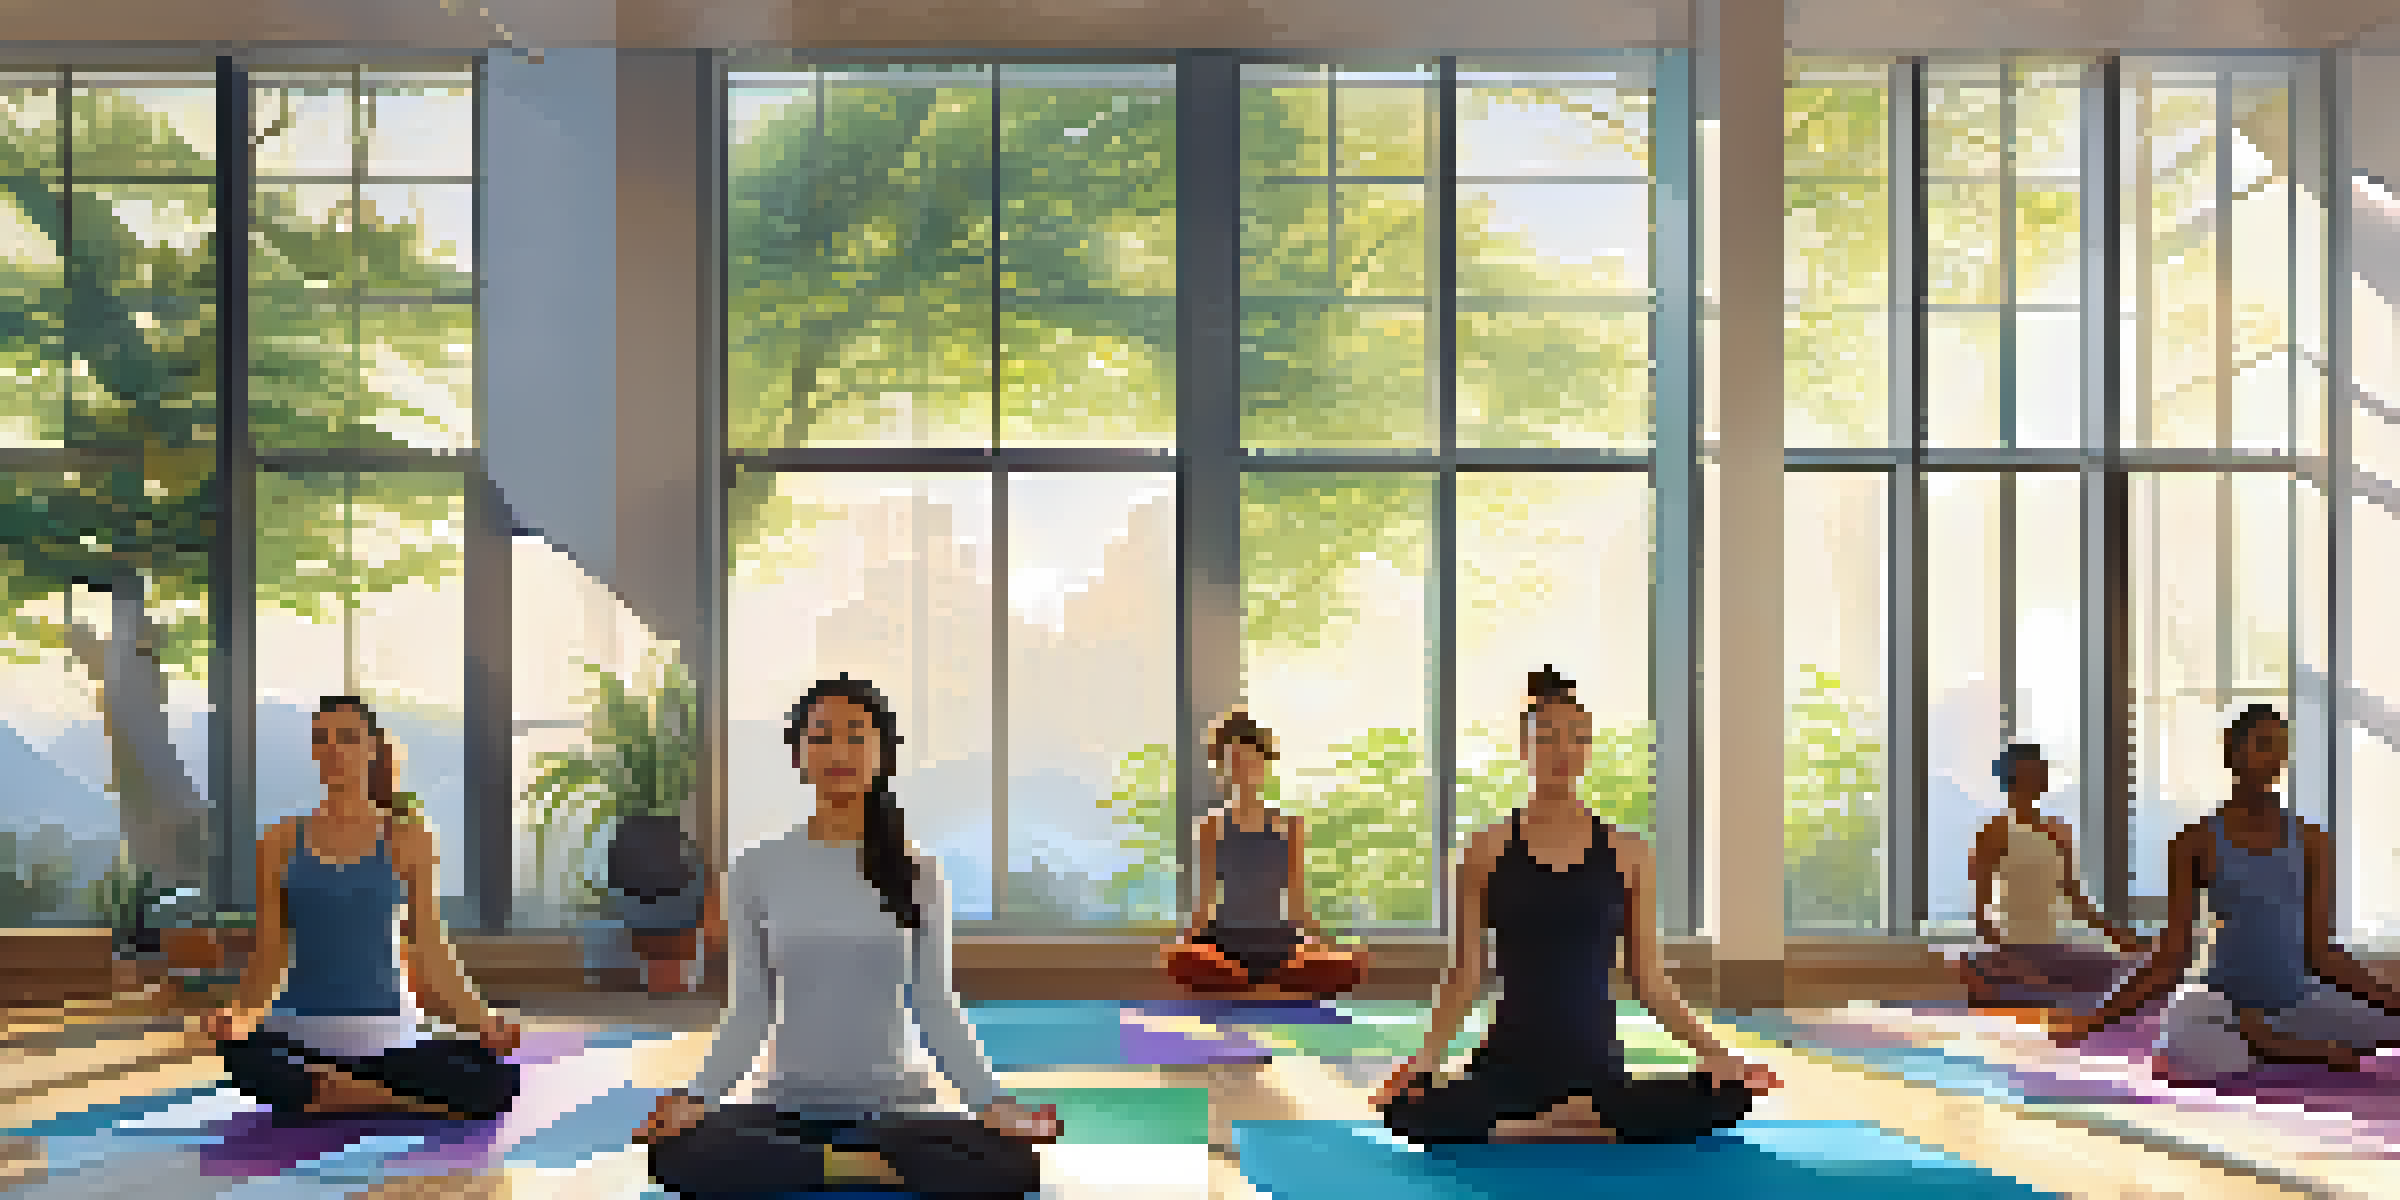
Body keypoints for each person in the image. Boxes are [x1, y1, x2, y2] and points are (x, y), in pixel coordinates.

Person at [636, 674, 1061, 1196]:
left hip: (899, 1112)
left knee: (1013, 1164)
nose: (839, 751)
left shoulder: (918, 871)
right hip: (786, 1107)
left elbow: (935, 1004)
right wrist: (696, 1097)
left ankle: (818, 1168)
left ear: (883, 753)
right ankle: (862, 1171)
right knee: (681, 1153)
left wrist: (996, 1105)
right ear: (798, 755)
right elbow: (750, 1006)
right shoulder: (756, 868)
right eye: (822, 737)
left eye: (856, 737)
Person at [1373, 667, 1780, 1144]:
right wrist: (1422, 1063)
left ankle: (1540, 1127)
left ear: (1588, 749)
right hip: (1506, 1069)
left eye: (1576, 738)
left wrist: (1718, 1054)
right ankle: (1570, 1126)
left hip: (1598, 1071)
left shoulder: (1630, 853)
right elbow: (1465, 978)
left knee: (1730, 1094)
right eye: (1546, 739)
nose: (1562, 751)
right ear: (1524, 750)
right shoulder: (1483, 851)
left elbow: (1649, 981)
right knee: (1403, 1112)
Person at [199, 696, 522, 1121]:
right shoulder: (278, 842)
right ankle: (386, 1098)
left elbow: (430, 944)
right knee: (242, 1056)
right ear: (314, 751)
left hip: (387, 1034)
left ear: (372, 748)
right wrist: (240, 1015)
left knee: (497, 1080)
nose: (334, 751)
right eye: (323, 739)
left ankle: (334, 1091)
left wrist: (483, 1020)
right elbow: (271, 952)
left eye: (348, 738)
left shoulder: (407, 838)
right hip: (298, 1031)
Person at [2054, 705, 2400, 1082]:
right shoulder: (2195, 843)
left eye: (2281, 748)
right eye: (2263, 744)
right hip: (2223, 1001)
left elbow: (2322, 952)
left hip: (2299, 999)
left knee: (2386, 1026)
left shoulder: (2312, 841)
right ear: (2232, 753)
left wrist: (2388, 999)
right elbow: (2173, 955)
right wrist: (2095, 1018)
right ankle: (2281, 1045)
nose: (2274, 758)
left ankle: (2275, 1044)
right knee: (2180, 1041)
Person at [1160, 709, 1368, 997]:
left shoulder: (1289, 826)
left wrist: (1321, 944)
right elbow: (1205, 900)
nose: (1242, 770)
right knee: (1182, 959)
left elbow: (1296, 899)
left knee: (1346, 966)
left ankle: (1254, 984)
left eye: (1250, 761)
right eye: (1234, 761)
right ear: (1222, 767)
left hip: (1276, 941)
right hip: (1225, 940)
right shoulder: (1211, 826)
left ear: (1264, 764)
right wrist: (1190, 944)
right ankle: (1264, 985)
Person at [1960, 745, 2146, 1011]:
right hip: (2010, 951)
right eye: (2032, 771)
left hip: (2051, 950)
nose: (2040, 777)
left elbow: (2073, 896)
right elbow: (1980, 912)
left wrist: (2120, 937)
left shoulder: (2058, 830)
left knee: (2128, 976)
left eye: (2041, 770)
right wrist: (2009, 960)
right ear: (2011, 778)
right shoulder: (1993, 832)